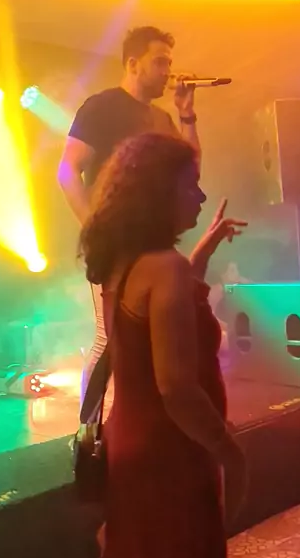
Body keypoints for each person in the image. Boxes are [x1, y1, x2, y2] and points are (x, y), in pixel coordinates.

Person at [79, 131, 247, 558]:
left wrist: (202, 250)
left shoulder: (129, 264)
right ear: (158, 192)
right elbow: (176, 388)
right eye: (189, 185)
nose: (199, 196)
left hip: (136, 448)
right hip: (172, 458)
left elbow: (165, 307)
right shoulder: (165, 268)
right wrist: (229, 450)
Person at [58, 26, 201, 404]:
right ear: (133, 64)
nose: (167, 71)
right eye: (159, 62)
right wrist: (95, 230)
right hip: (114, 243)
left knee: (151, 335)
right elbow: (67, 170)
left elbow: (190, 169)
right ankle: (89, 428)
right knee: (109, 339)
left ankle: (138, 417)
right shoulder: (100, 107)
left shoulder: (161, 117)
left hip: (153, 242)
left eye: (169, 63)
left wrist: (186, 115)